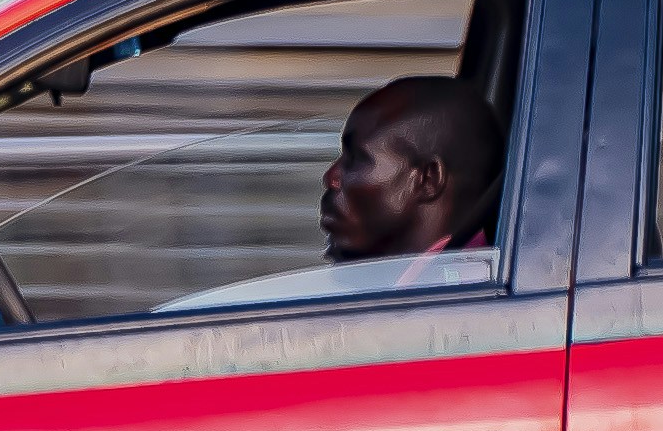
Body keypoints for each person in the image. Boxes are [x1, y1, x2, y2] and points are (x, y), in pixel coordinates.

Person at [158, 73, 502, 312]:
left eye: (357, 159)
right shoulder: (414, 293)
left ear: (427, 179)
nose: (331, 177)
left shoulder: (455, 309)